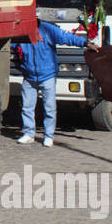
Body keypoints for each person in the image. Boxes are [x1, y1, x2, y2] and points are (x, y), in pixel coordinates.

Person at [15, 19, 98, 147]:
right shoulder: (21, 31)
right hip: (29, 76)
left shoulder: (47, 29)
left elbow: (66, 37)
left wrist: (85, 43)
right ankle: (29, 133)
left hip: (47, 76)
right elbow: (11, 44)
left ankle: (48, 136)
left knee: (49, 108)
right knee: (27, 107)